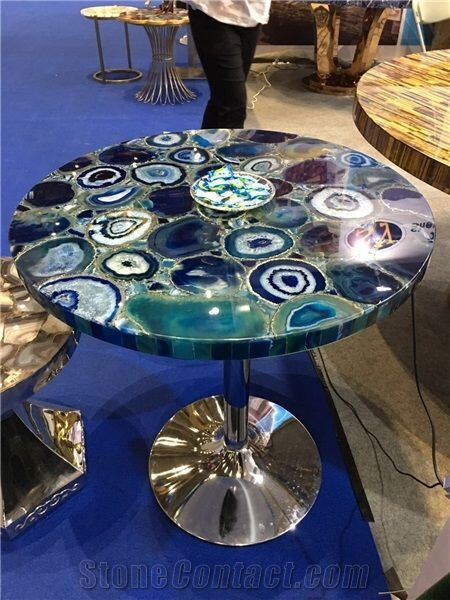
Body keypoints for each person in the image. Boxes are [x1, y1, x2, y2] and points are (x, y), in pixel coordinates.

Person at [185, 1, 272, 129]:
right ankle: (228, 143)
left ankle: (205, 141)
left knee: (222, 99)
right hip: (213, 13)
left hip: (251, 15)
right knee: (233, 107)